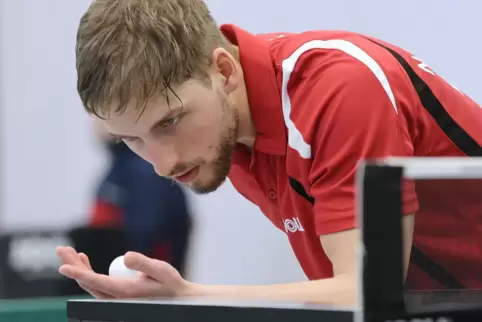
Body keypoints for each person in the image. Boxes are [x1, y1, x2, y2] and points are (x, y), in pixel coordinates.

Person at [56, 0, 482, 305]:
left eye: (170, 122)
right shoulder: (226, 131)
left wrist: (188, 296)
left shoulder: (339, 89)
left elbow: (367, 291)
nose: (163, 163)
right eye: (132, 140)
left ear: (223, 72)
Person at [89, 119, 192, 275]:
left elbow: (144, 238)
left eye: (99, 114)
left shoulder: (143, 173)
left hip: (144, 287)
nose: (93, 123)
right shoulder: (121, 168)